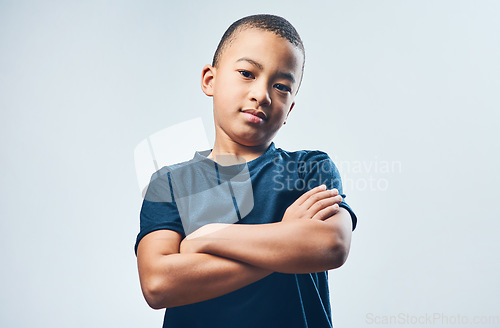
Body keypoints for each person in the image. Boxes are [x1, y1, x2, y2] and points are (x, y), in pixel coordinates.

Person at [135, 14, 357, 328]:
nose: (262, 94)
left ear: (290, 108)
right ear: (210, 80)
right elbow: (158, 284)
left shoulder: (310, 169)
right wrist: (287, 244)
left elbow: (331, 245)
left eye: (281, 86)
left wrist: (210, 237)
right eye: (246, 73)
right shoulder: (170, 184)